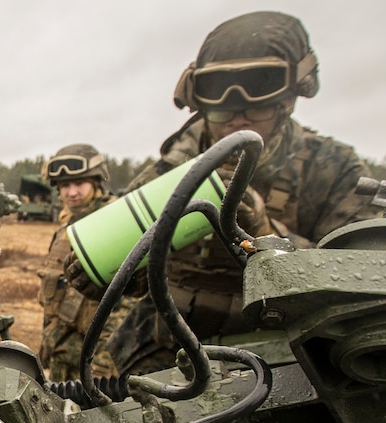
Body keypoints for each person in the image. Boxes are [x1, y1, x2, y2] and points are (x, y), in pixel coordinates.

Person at [82, 11, 377, 374]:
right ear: (198, 97)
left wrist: (269, 235)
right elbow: (124, 279)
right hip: (166, 357)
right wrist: (101, 268)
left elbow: (365, 285)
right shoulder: (170, 171)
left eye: (260, 89)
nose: (239, 113)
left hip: (291, 361)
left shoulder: (331, 170)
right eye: (220, 94)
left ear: (290, 96)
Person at [36, 144, 134, 381]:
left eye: (79, 184)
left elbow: (127, 300)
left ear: (97, 183)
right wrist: (46, 344)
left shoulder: (116, 224)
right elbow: (55, 293)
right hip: (63, 356)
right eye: (65, 186)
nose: (71, 193)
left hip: (95, 362)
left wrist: (105, 359)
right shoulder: (63, 230)